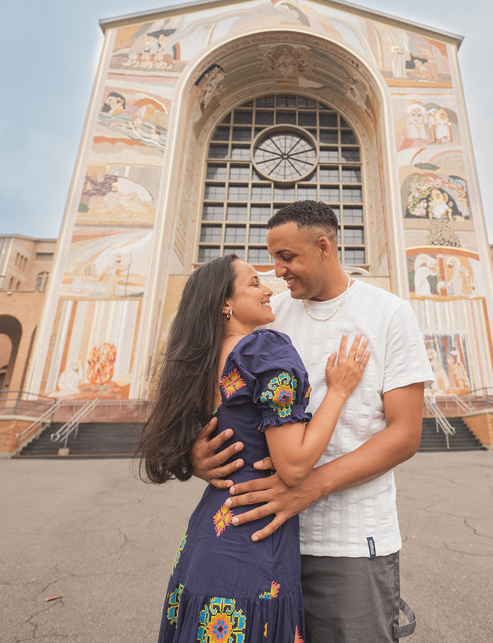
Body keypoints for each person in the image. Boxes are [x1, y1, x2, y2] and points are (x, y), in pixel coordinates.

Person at [192, 201, 434, 642]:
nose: (277, 272)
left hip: (349, 545)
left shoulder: (389, 314)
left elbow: (404, 434)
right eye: (272, 259)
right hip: (265, 540)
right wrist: (197, 454)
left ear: (324, 247)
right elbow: (218, 396)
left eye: (287, 258)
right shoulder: (268, 314)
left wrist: (309, 487)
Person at [139, 254, 370, 643]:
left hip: (203, 542)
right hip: (252, 544)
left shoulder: (203, 360)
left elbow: (175, 442)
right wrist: (339, 390)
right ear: (224, 304)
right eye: (254, 283)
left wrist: (195, 463)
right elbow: (294, 466)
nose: (269, 289)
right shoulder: (263, 350)